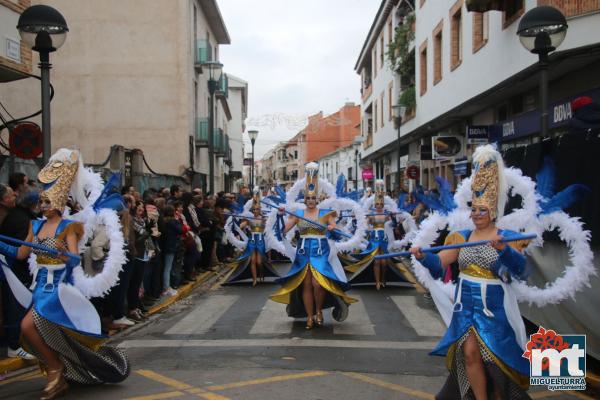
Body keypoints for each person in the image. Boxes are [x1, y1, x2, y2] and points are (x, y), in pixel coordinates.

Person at [0, 149, 129, 400]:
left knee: (28, 326)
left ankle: (55, 370)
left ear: (59, 202)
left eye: (48, 202)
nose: (44, 206)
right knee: (39, 330)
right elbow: (21, 254)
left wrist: (65, 257)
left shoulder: (68, 227)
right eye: (41, 202)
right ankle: (59, 369)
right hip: (39, 286)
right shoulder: (35, 225)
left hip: (57, 287)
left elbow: (73, 259)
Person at [409, 145, 531, 400]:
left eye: (482, 210)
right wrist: (423, 256)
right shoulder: (460, 237)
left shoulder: (507, 238)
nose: (476, 214)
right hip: (465, 305)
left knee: (495, 360)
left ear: (494, 211)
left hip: (494, 306)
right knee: (470, 354)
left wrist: (504, 251)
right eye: (473, 209)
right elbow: (439, 264)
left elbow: (521, 271)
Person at [270, 163, 358, 330]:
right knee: (306, 284)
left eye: (313, 198)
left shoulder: (326, 214)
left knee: (319, 284)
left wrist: (333, 228)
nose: (311, 201)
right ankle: (310, 316)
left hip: (320, 250)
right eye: (308, 198)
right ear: (304, 199)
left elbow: (337, 231)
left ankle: (318, 311)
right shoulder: (298, 214)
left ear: (318, 199)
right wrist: (280, 216)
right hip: (303, 251)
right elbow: (282, 232)